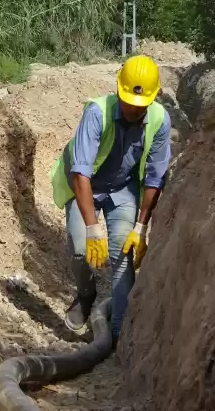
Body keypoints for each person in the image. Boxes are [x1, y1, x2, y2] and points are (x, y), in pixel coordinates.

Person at [49, 54, 171, 347]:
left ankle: (118, 334)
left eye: (141, 105)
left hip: (122, 188)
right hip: (86, 185)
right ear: (118, 90)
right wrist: (92, 229)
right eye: (129, 101)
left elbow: (155, 178)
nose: (134, 109)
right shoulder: (97, 113)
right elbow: (80, 173)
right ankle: (86, 294)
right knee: (80, 249)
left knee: (122, 252)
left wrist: (141, 228)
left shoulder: (159, 120)